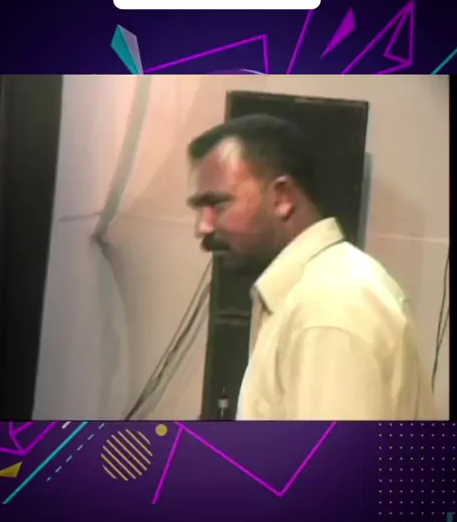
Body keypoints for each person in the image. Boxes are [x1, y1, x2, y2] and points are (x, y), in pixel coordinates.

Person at [186, 113, 436, 421]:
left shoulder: (329, 307)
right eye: (199, 209)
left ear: (282, 197)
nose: (202, 227)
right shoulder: (317, 293)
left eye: (217, 204)